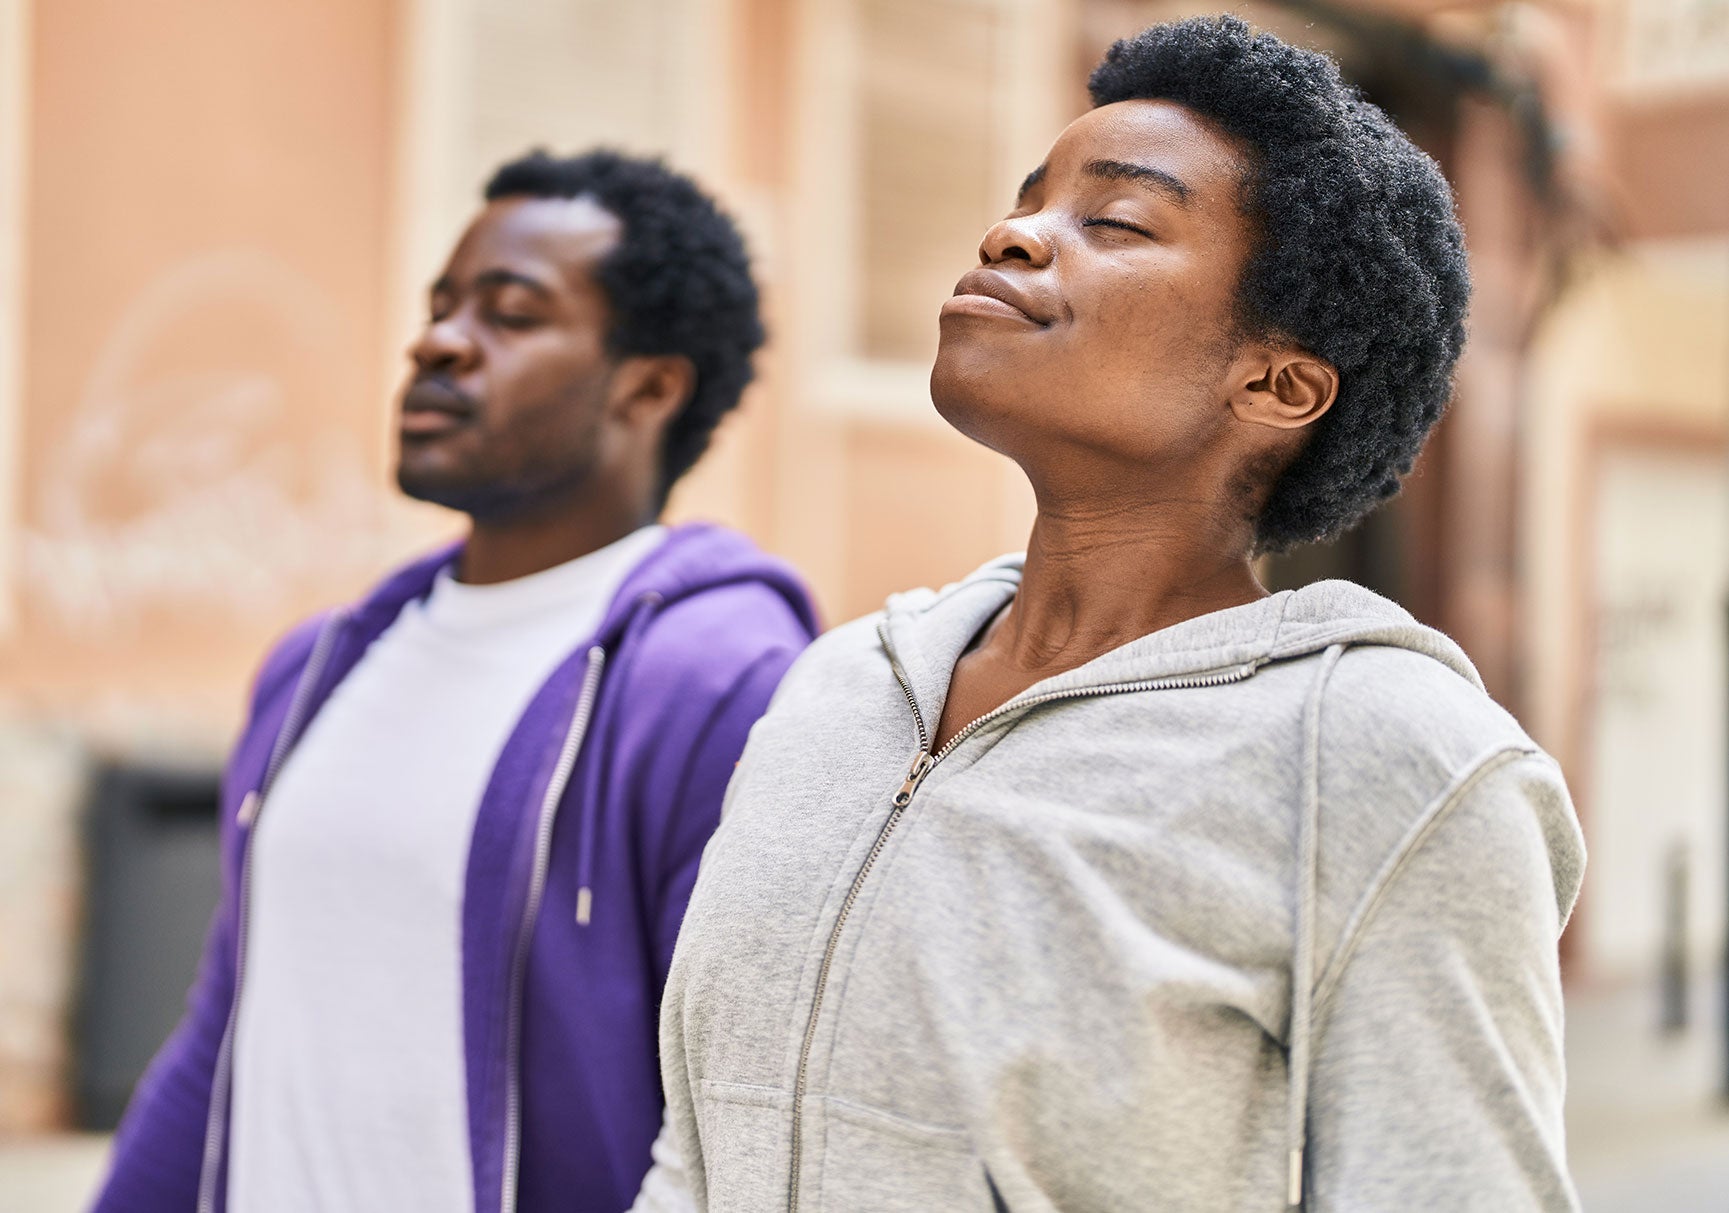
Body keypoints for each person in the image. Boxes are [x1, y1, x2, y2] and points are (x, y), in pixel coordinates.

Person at [633, 16, 1583, 1212]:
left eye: (1116, 221)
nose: (1011, 235)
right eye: (1027, 200)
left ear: (1277, 384)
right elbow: (698, 1145)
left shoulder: (1390, 763)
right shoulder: (836, 691)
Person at [93, 150, 819, 1213]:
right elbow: (231, 1026)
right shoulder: (317, 666)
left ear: (649, 385)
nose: (436, 341)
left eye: (509, 314)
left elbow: (743, 1109)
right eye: (441, 305)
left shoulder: (718, 685)